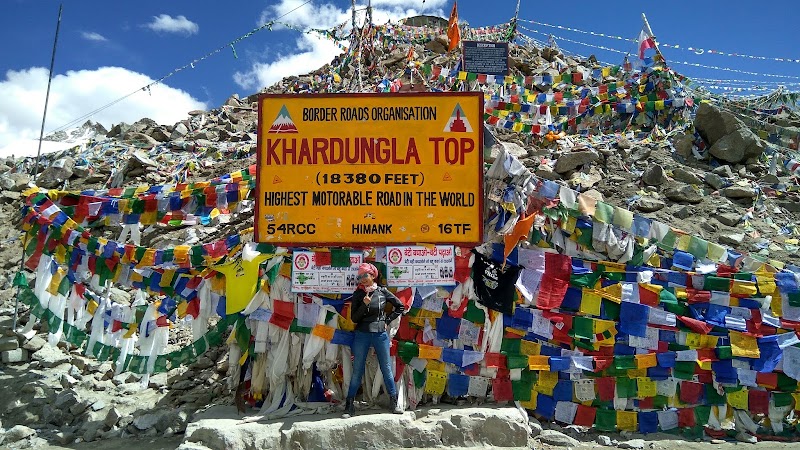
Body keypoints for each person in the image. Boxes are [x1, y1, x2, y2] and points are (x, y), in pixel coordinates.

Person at [343, 262, 405, 418]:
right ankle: (349, 405)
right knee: (357, 370)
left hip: (380, 333)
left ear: (373, 275)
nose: (363, 279)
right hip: (362, 333)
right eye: (360, 276)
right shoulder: (358, 294)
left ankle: (394, 402)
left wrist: (387, 321)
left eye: (365, 275)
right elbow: (354, 318)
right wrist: (364, 304)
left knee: (386, 368)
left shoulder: (382, 291)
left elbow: (400, 307)